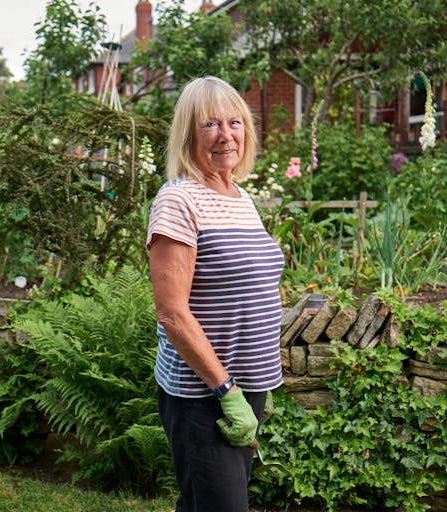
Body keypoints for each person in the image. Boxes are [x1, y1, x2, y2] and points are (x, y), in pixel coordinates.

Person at [146, 76, 284, 512]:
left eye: (235, 122)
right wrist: (226, 390)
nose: (227, 135)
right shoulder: (178, 200)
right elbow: (171, 313)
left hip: (245, 388)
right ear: (188, 135)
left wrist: (253, 382)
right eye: (210, 125)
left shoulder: (240, 197)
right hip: (205, 394)